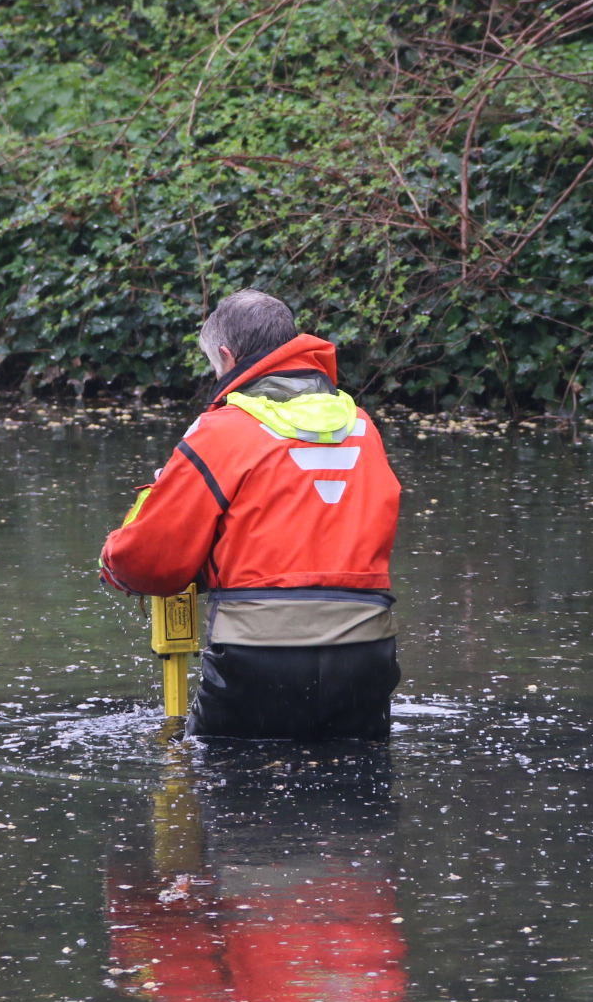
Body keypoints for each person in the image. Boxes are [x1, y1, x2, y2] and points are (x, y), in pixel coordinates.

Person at [100, 290, 403, 740]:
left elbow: (151, 562)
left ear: (227, 357)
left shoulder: (223, 430)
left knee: (229, 778)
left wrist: (113, 562)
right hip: (366, 657)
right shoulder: (362, 426)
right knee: (353, 780)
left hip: (258, 659)